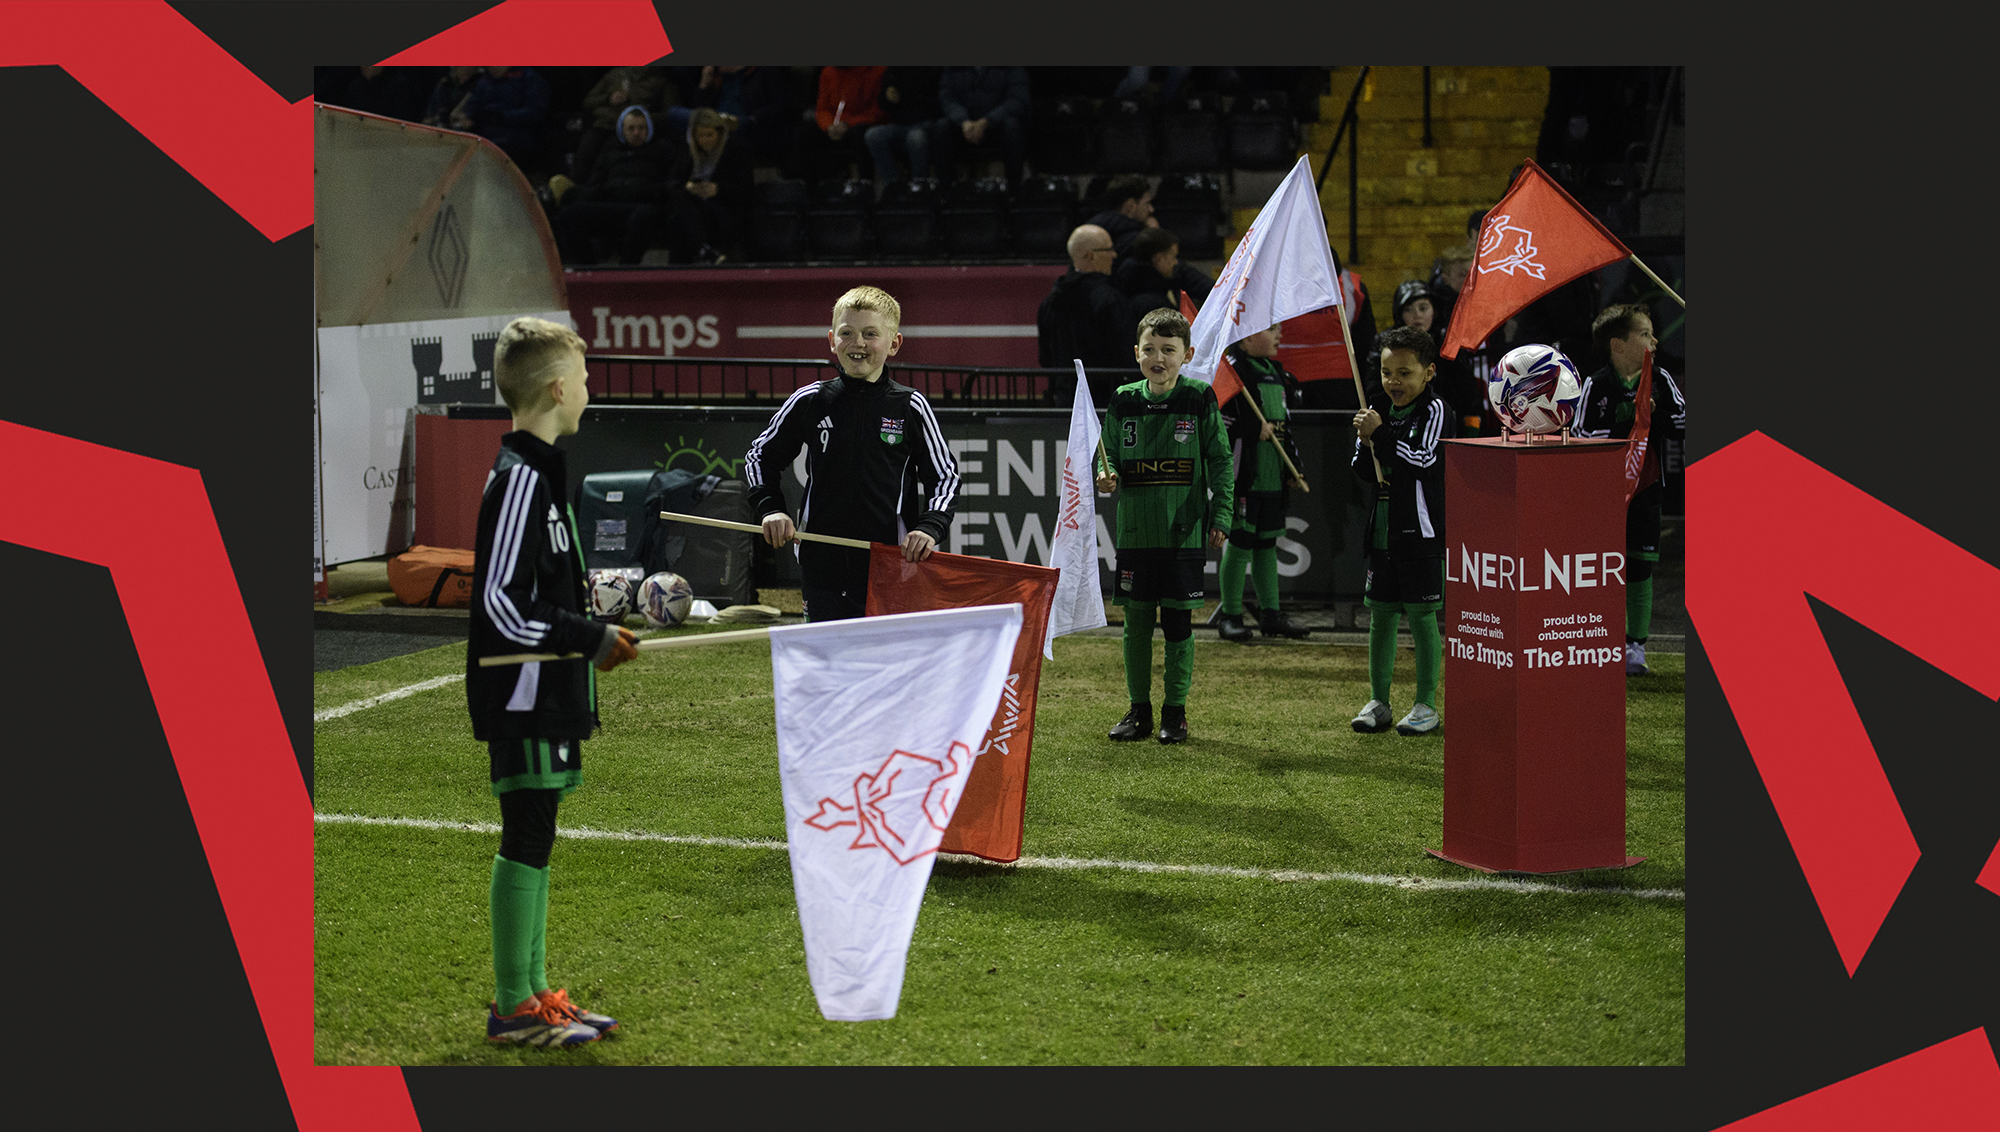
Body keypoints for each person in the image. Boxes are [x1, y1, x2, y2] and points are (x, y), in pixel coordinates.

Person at [466, 317, 640, 1047]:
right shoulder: (519, 480)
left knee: (537, 836)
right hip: (524, 692)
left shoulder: (539, 474)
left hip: (548, 689)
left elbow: (538, 587)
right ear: (559, 389)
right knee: (527, 834)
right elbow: (500, 604)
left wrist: (590, 619)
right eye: (586, 377)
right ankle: (513, 1004)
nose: (591, 389)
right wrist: (586, 637)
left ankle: (535, 992)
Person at [744, 287, 961, 622]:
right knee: (825, 652)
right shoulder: (810, 400)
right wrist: (770, 509)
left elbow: (944, 476)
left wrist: (930, 527)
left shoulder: (910, 406)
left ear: (894, 344)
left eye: (870, 334)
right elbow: (760, 456)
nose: (857, 343)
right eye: (847, 333)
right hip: (821, 564)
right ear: (832, 341)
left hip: (889, 563)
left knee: (883, 653)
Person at [1094, 307, 1234, 745]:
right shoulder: (1123, 399)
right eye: (1150, 349)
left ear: (1187, 355)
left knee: (1177, 625)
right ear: (1136, 353)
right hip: (1136, 534)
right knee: (1135, 625)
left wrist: (1222, 515)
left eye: (1169, 350)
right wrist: (1105, 475)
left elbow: (1221, 461)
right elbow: (1108, 455)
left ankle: (1175, 712)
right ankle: (1139, 711)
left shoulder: (1199, 397)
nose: (1159, 358)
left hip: (1182, 533)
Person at [1350, 324, 1453, 737]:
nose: (1393, 382)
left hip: (1421, 532)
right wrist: (1365, 441)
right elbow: (1362, 469)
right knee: (1381, 616)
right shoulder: (1375, 407)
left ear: (1428, 372)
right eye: (1387, 372)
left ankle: (1426, 704)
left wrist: (1380, 434)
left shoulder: (1435, 410)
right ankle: (1378, 701)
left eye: (1405, 373)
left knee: (1422, 616)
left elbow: (1423, 459)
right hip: (1382, 529)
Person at [1574, 303, 1686, 677]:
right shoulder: (1595, 385)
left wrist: (1655, 415)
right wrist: (1626, 419)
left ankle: (1635, 645)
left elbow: (1682, 423)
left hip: (1646, 489)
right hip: (1602, 494)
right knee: (1602, 569)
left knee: (1639, 568)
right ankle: (1599, 638)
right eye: (1645, 334)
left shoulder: (1661, 379)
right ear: (1618, 344)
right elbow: (1582, 436)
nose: (1654, 341)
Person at [1214, 323, 1310, 642]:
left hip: (1273, 478)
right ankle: (1230, 615)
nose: (1279, 334)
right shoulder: (1233, 371)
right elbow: (1219, 420)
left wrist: (1293, 467)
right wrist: (1251, 429)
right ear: (1247, 336)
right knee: (1240, 544)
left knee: (1267, 544)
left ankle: (1271, 614)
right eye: (1271, 328)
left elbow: (1285, 426)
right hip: (1245, 478)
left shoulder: (1276, 372)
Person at [550, 105, 675, 265]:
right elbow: (594, 184)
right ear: (622, 130)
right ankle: (587, 268)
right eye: (631, 128)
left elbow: (670, 183)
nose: (636, 133)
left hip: (645, 206)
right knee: (568, 215)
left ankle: (627, 268)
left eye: (641, 128)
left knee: (643, 217)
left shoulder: (662, 149)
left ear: (649, 129)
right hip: (613, 205)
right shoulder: (609, 152)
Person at [1037, 224, 1132, 404]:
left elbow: (1045, 357)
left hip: (1064, 400)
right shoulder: (1109, 299)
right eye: (1109, 249)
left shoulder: (1049, 302)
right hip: (1104, 401)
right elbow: (1124, 354)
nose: (1114, 255)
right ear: (1090, 256)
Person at [658, 107, 754, 263]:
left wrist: (718, 190)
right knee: (679, 206)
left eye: (709, 135)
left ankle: (687, 260)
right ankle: (701, 250)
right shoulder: (686, 148)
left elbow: (747, 192)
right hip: (691, 206)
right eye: (700, 135)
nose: (705, 140)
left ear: (719, 132)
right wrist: (689, 187)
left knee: (677, 218)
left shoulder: (737, 150)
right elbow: (671, 183)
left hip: (721, 207)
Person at [1392, 278, 1485, 437]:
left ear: (1434, 311)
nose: (1417, 315)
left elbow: (1469, 396)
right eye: (1408, 310)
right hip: (1400, 427)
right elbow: (1376, 392)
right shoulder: (1388, 345)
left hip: (1448, 428)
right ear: (1399, 314)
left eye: (1423, 308)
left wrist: (1471, 431)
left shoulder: (1448, 343)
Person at [568, 66, 675, 187]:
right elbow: (588, 102)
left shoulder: (661, 81)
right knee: (588, 148)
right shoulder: (614, 75)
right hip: (606, 125)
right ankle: (574, 188)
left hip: (639, 127)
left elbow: (671, 113)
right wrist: (608, 98)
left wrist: (643, 116)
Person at [933, 66, 1031, 185]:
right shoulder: (953, 68)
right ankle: (946, 191)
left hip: (997, 126)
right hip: (964, 127)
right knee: (942, 127)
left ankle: (1014, 190)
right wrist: (963, 121)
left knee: (1012, 126)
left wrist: (987, 121)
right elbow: (947, 98)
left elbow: (1017, 100)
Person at [451, 66, 554, 176]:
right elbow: (471, 107)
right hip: (484, 139)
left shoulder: (528, 78)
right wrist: (468, 118)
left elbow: (535, 111)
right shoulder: (484, 81)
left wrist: (503, 117)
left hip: (515, 139)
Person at [791, 66, 886, 185]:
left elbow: (878, 111)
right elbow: (822, 108)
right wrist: (828, 125)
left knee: (860, 133)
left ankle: (865, 184)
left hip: (860, 124)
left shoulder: (877, 71)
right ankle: (810, 187)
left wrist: (848, 124)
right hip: (833, 125)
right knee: (806, 132)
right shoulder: (828, 72)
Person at [1111, 226, 1212, 333]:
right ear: (1158, 259)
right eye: (1173, 257)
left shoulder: (1158, 283)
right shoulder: (1151, 304)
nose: (1176, 263)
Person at [864, 65, 944, 188]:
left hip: (925, 122)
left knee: (915, 138)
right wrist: (887, 96)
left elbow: (937, 103)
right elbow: (882, 104)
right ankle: (892, 185)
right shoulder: (894, 70)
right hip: (899, 124)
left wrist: (906, 99)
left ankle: (919, 186)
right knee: (873, 135)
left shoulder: (933, 69)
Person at [1084, 174, 1159, 258]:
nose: (1151, 209)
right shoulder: (1136, 242)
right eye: (1147, 203)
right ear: (1130, 206)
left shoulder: (1089, 228)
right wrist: (1153, 235)